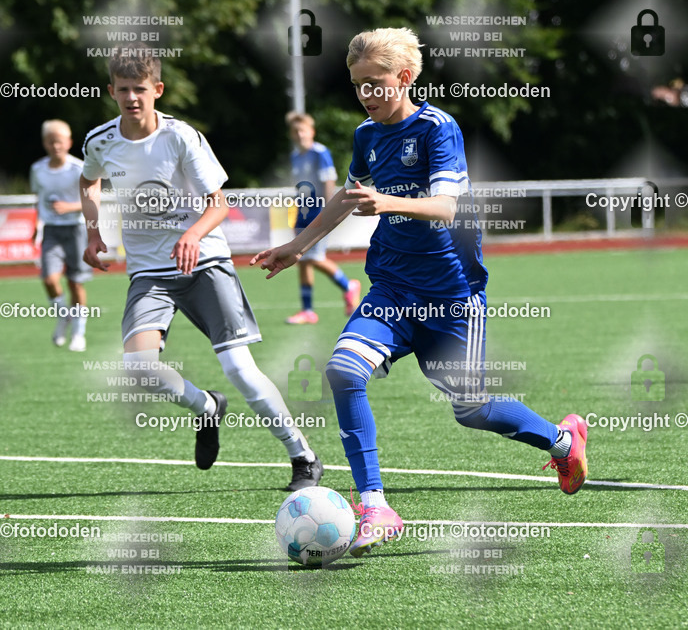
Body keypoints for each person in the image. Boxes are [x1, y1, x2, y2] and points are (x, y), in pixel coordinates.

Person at [251, 28, 588, 557]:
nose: (366, 95)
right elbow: (348, 195)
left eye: (375, 84)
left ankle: (563, 440)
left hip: (451, 296)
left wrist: (388, 202)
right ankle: (375, 505)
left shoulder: (438, 128)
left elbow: (449, 207)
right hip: (392, 286)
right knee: (342, 370)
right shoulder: (366, 135)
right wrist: (297, 245)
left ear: (405, 78)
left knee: (471, 410)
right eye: (358, 85)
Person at [80, 45, 323, 490]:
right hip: (150, 274)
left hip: (205, 262)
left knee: (240, 369)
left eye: (140, 89)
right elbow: (88, 180)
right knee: (139, 369)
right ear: (111, 91)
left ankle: (302, 455)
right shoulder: (100, 141)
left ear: (158, 89)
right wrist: (93, 232)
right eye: (123, 90)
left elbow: (219, 204)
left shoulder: (181, 137)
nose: (132, 97)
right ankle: (207, 407)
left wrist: (191, 235)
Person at [283, 112, 361, 324]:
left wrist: (328, 210)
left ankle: (348, 285)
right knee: (301, 259)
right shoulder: (295, 156)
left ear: (312, 132)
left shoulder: (320, 153)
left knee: (314, 257)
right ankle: (308, 310)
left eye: (303, 130)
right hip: (303, 210)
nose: (300, 134)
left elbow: (329, 180)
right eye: (296, 131)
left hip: (318, 210)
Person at [30, 119, 91, 352]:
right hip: (51, 231)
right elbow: (40, 199)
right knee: (49, 279)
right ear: (45, 143)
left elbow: (92, 200)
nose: (56, 146)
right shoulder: (37, 169)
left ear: (69, 143)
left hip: (76, 229)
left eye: (60, 141)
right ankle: (63, 315)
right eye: (51, 141)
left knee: (75, 282)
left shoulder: (79, 168)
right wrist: (37, 223)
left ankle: (79, 332)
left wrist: (70, 207)